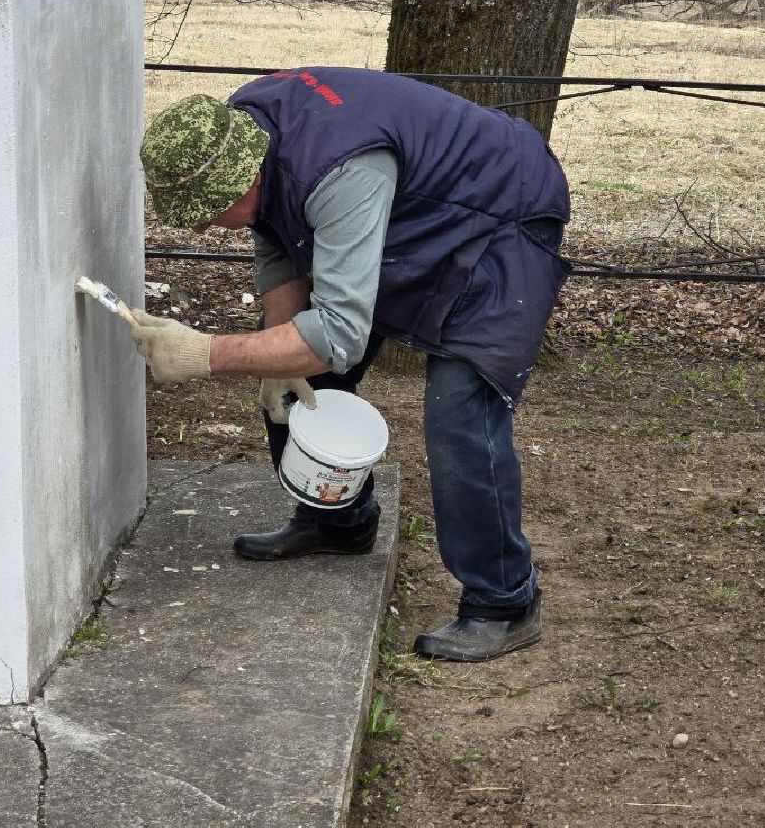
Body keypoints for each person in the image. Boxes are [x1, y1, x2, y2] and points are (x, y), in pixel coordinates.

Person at [132, 68, 571, 662]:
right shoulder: (245, 128)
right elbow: (275, 233)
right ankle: (338, 520)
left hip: (500, 210)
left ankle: (504, 601)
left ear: (244, 176)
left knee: (460, 412)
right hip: (413, 208)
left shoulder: (341, 170)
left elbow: (338, 334)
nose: (207, 226)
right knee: (294, 366)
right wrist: (278, 350)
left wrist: (205, 353)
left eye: (212, 211)